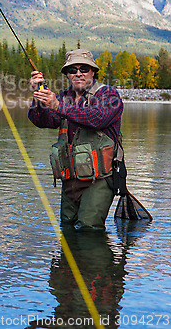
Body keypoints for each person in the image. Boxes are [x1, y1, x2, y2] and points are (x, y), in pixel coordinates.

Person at [28, 49, 124, 231]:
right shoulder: (64, 98)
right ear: (67, 74)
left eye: (84, 69)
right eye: (72, 70)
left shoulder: (109, 95)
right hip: (69, 179)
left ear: (93, 72)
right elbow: (42, 121)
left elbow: (97, 118)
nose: (78, 73)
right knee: (67, 227)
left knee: (89, 229)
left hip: (100, 179)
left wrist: (57, 105)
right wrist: (40, 97)